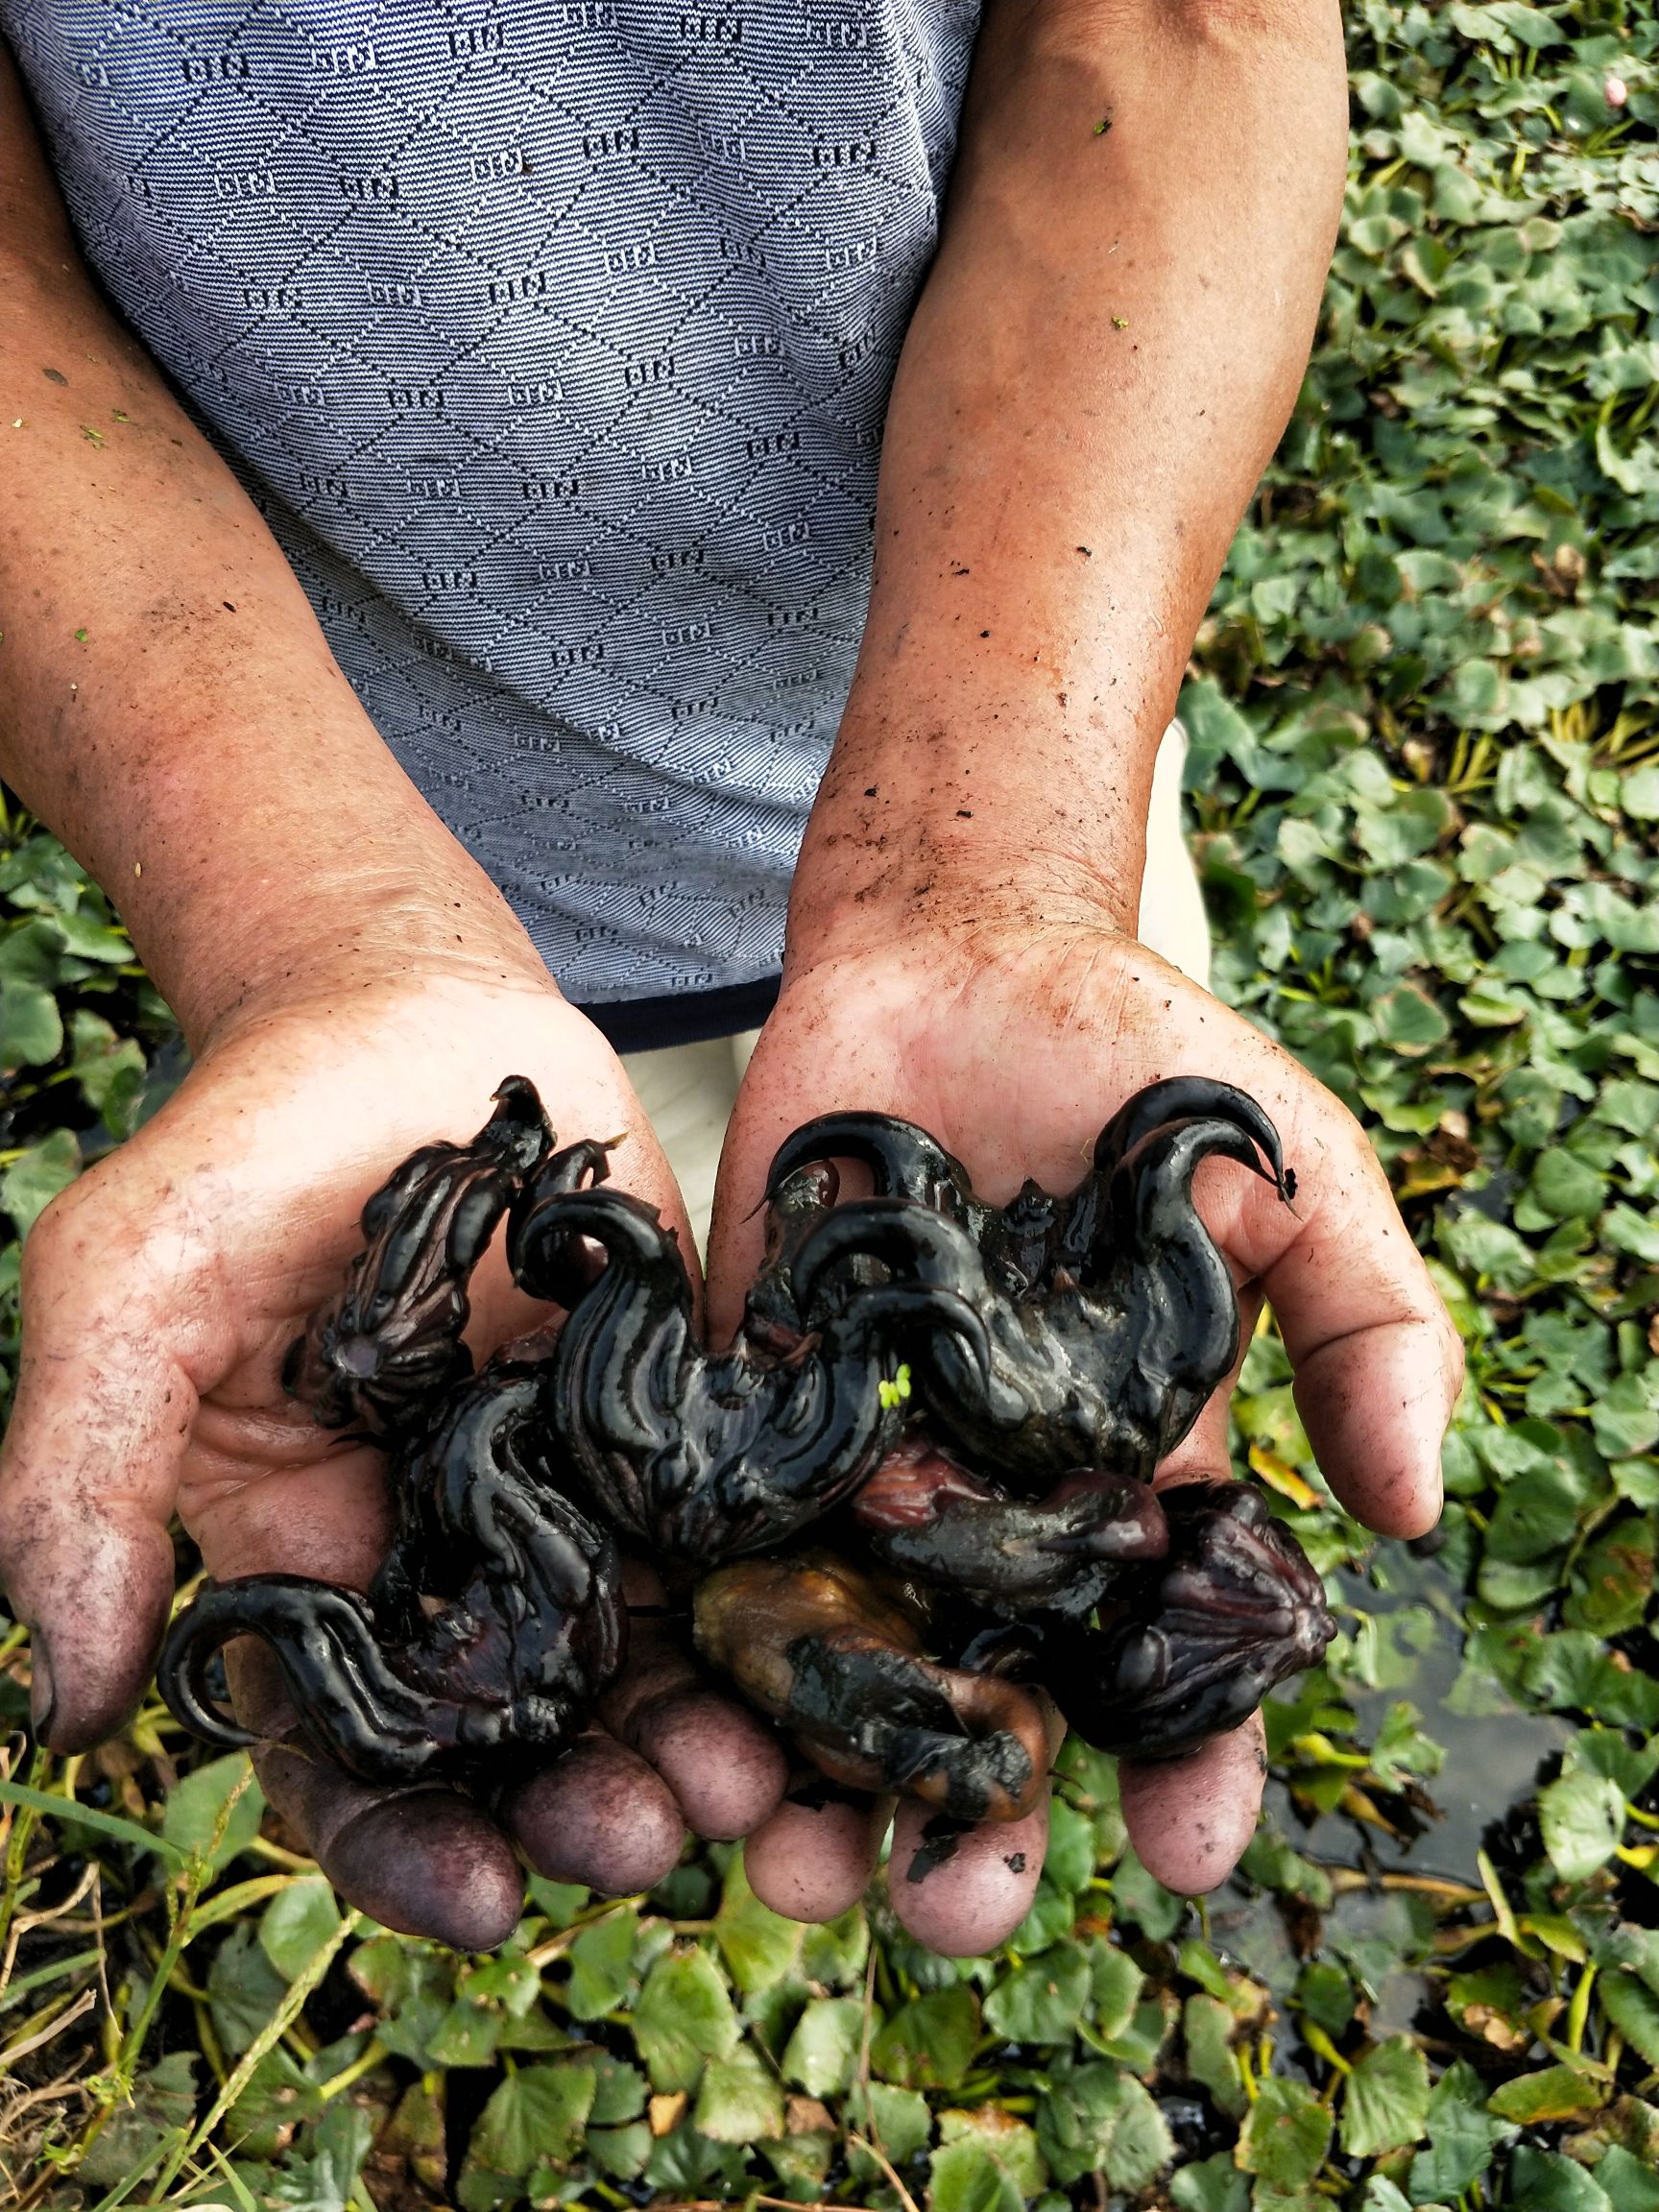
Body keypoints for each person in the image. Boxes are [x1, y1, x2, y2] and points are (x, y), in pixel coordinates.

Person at [0, 0, 1461, 1957]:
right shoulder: (692, 1423)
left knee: (673, 1327)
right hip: (359, 825)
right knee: (505, 1367)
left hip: (1008, 766)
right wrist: (309, 929)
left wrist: (997, 862)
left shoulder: (934, 1379)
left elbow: (1187, 29)